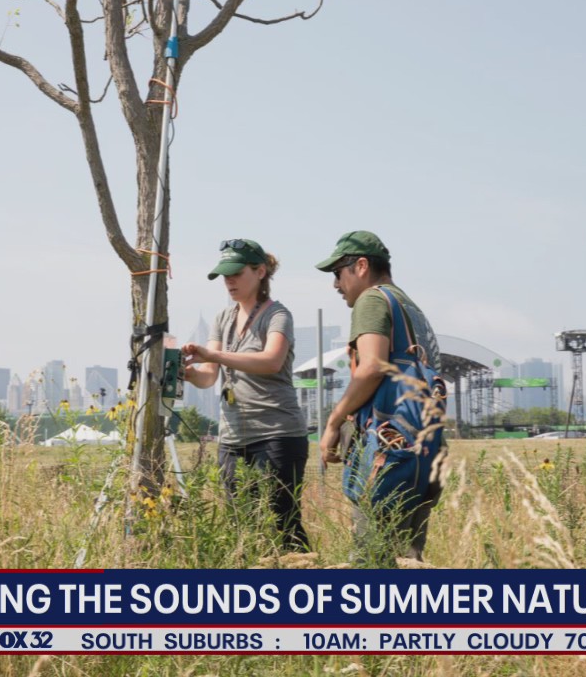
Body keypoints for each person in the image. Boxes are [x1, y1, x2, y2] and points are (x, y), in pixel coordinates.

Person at [315, 230, 444, 563]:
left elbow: (372, 366)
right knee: (408, 560)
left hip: (387, 456)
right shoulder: (410, 307)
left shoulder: (372, 299)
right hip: (423, 459)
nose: (335, 284)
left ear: (360, 266)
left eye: (337, 273)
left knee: (370, 563)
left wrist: (332, 422)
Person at [181, 239, 311, 552]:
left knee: (284, 521)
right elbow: (209, 377)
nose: (229, 281)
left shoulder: (277, 315)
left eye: (236, 273)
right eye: (224, 275)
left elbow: (271, 361)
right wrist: (186, 372)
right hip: (233, 438)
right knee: (241, 523)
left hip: (277, 434)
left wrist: (213, 356)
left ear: (260, 272)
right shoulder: (222, 319)